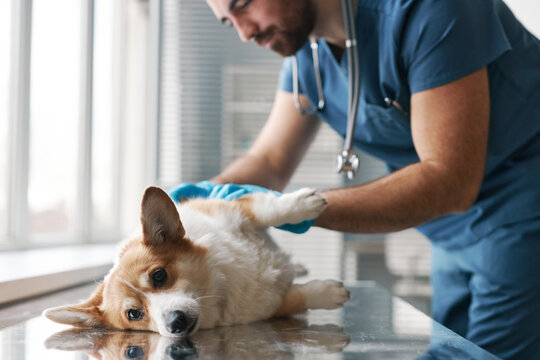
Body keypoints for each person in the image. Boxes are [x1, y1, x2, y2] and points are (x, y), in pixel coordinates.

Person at [170, 0, 540, 358]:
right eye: (227, 21)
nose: (244, 32)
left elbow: (450, 181)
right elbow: (268, 159)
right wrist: (198, 204)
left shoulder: (432, 9)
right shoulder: (307, 51)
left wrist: (295, 210)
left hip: (524, 207)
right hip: (449, 230)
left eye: (244, 4)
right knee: (452, 349)